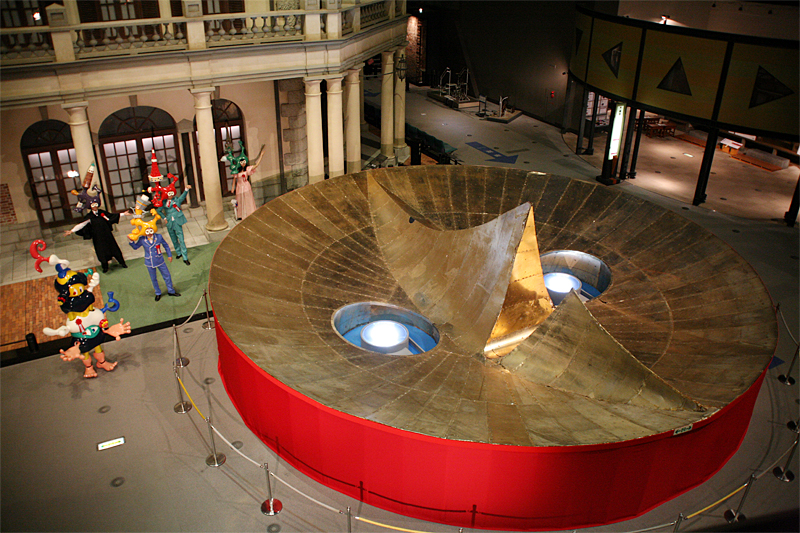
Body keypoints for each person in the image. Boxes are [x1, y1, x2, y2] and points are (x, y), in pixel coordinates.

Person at [65, 196, 130, 273]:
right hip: (98, 237)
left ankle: (122, 263)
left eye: (96, 204)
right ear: (90, 206)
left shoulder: (102, 213)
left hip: (107, 235)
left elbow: (112, 216)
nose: (95, 206)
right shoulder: (89, 217)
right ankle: (105, 267)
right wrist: (71, 231)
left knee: (114, 249)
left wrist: (124, 214)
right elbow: (81, 224)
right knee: (101, 252)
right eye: (93, 205)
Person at [128, 217, 181, 301]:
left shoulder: (158, 237)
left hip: (160, 260)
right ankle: (158, 293)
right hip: (149, 262)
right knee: (153, 278)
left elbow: (166, 245)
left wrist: (169, 255)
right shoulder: (142, 239)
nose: (149, 233)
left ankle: (171, 291)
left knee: (167, 276)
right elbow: (135, 247)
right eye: (147, 231)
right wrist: (131, 241)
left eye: (151, 230)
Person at [225, 141, 264, 220]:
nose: (243, 163)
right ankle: (241, 215)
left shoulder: (247, 169)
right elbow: (234, 179)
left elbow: (256, 165)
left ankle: (250, 213)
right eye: (241, 162)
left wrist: (261, 156)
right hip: (239, 186)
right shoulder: (237, 171)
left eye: (244, 162)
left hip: (246, 186)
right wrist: (232, 188)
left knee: (248, 199)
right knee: (240, 200)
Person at [157, 182, 192, 265]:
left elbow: (183, 196)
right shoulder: (164, 202)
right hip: (169, 222)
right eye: (169, 193)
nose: (170, 195)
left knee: (181, 239)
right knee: (173, 238)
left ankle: (185, 257)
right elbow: (158, 210)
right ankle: (178, 252)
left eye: (171, 193)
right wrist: (164, 218)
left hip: (177, 220)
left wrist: (186, 189)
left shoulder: (176, 200)